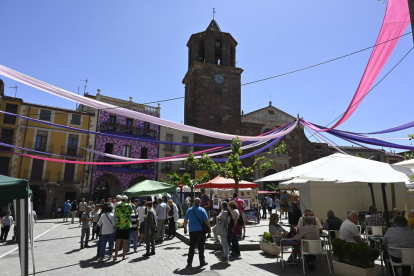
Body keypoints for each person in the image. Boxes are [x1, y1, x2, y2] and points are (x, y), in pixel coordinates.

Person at [183, 198, 211, 267]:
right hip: (200, 230)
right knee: (201, 246)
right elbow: (206, 220)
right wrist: (209, 228)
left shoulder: (189, 210)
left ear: (193, 203)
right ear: (200, 203)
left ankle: (189, 262)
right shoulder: (202, 210)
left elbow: (185, 220)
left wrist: (185, 228)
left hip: (192, 230)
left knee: (192, 246)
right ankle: (202, 261)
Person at [114, 195, 133, 261]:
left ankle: (115, 256)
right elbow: (131, 213)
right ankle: (123, 256)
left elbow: (116, 213)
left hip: (119, 225)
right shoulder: (129, 206)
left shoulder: (117, 206)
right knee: (125, 241)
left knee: (117, 241)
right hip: (126, 225)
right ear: (127, 200)